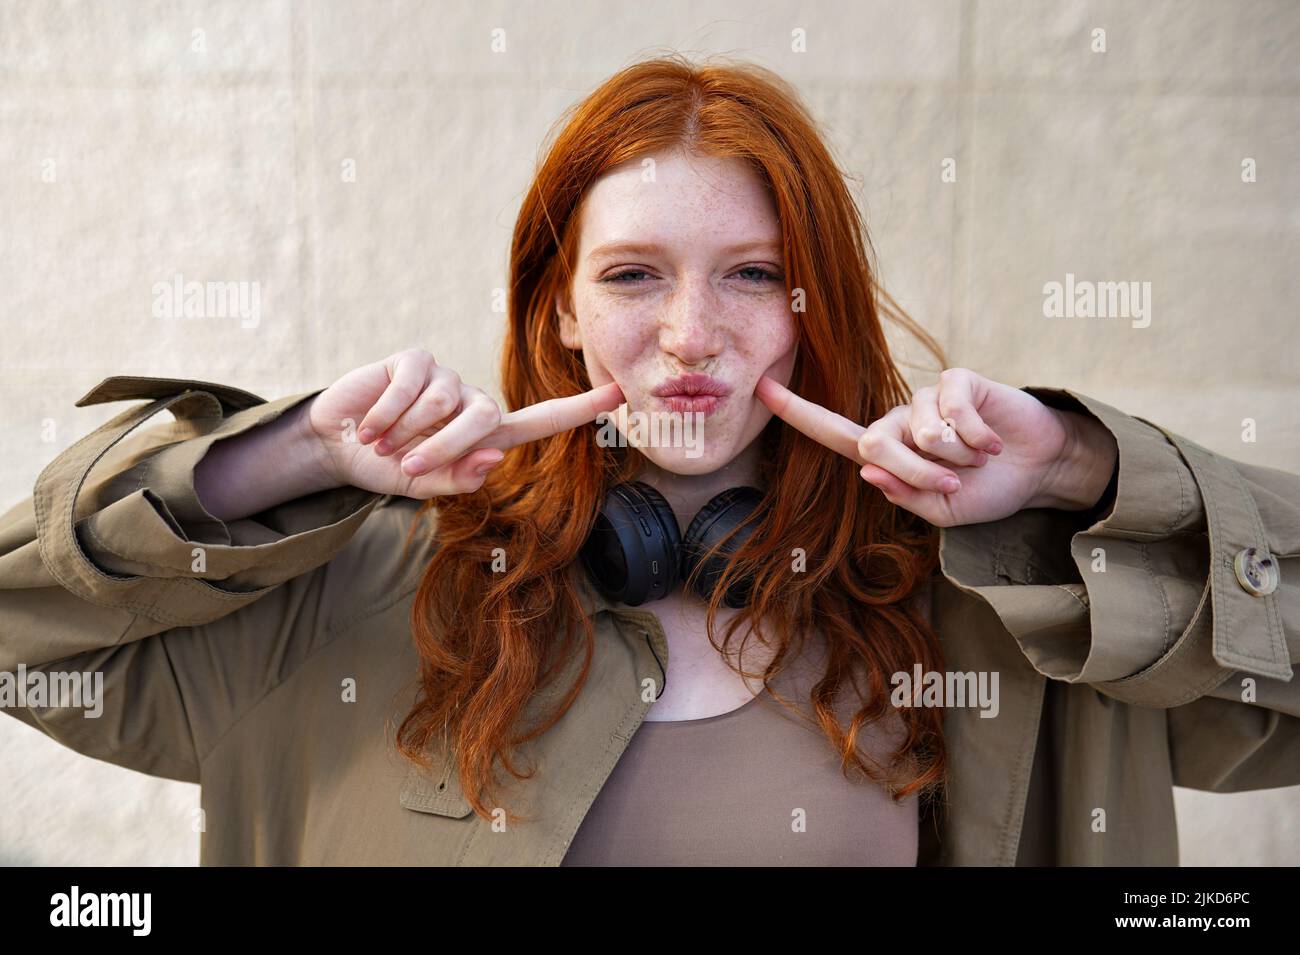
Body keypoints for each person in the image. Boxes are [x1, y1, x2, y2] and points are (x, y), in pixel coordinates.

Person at [1, 54, 1296, 866]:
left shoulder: (977, 604)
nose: (691, 335)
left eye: (753, 275)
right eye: (632, 275)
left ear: (814, 306)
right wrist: (275, 461)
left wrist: (1080, 477)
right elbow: (21, 635)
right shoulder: (362, 584)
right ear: (558, 308)